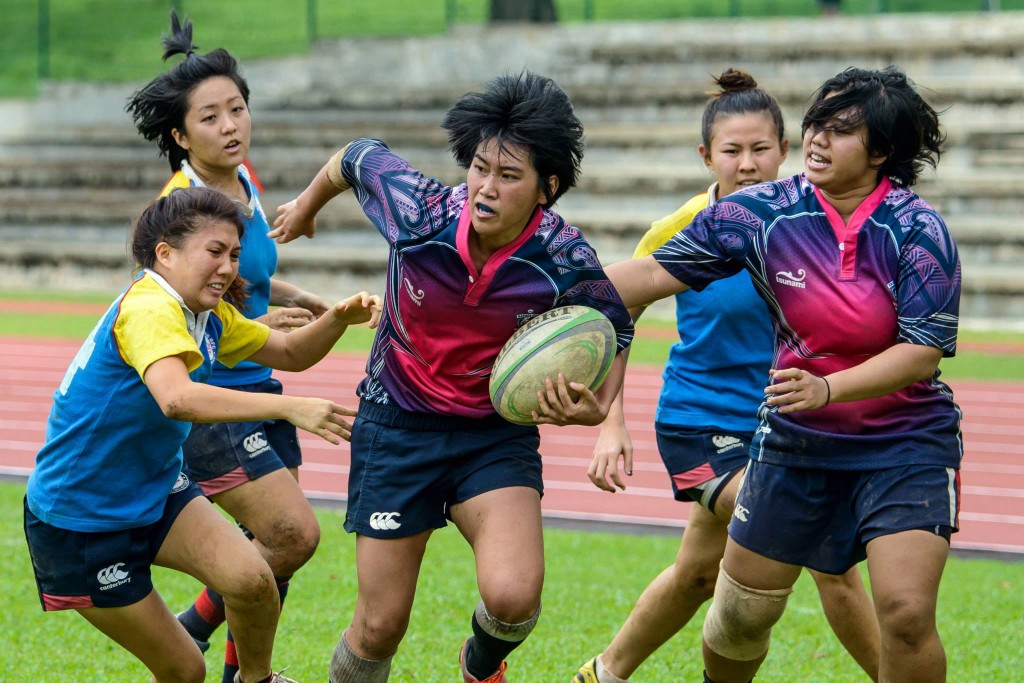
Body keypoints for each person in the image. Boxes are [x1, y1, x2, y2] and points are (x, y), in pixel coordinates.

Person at [270, 71, 635, 683]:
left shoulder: (565, 258)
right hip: (395, 422)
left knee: (514, 597)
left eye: (509, 175)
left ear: (546, 187)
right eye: (480, 168)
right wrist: (307, 206)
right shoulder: (418, 212)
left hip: (491, 435)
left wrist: (597, 407)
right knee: (380, 625)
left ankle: (479, 664)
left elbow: (616, 327)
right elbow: (356, 156)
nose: (486, 188)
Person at [600, 66, 961, 683]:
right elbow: (653, 275)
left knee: (904, 612)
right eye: (817, 122)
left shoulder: (919, 231)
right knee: (738, 613)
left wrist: (827, 388)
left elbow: (922, 351)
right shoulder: (762, 214)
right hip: (797, 447)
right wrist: (542, 295)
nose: (818, 138)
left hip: (904, 444)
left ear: (880, 152)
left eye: (841, 131)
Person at [23, 187, 381, 683]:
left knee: (253, 581)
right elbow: (177, 398)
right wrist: (289, 406)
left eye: (234, 254)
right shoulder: (150, 307)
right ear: (165, 255)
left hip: (154, 485)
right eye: (215, 252)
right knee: (185, 671)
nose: (229, 267)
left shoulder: (206, 315)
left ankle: (254, 680)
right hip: (81, 518)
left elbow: (290, 352)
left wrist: (338, 319)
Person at [125, 13, 335, 681]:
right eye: (210, 118)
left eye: (237, 109)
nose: (230, 126)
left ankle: (222, 644)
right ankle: (227, 654)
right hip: (215, 392)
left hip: (261, 381)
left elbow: (252, 278)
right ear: (182, 135)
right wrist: (262, 319)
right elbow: (177, 306)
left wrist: (310, 301)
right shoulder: (181, 209)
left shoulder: (244, 185)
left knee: (284, 545)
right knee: (291, 534)